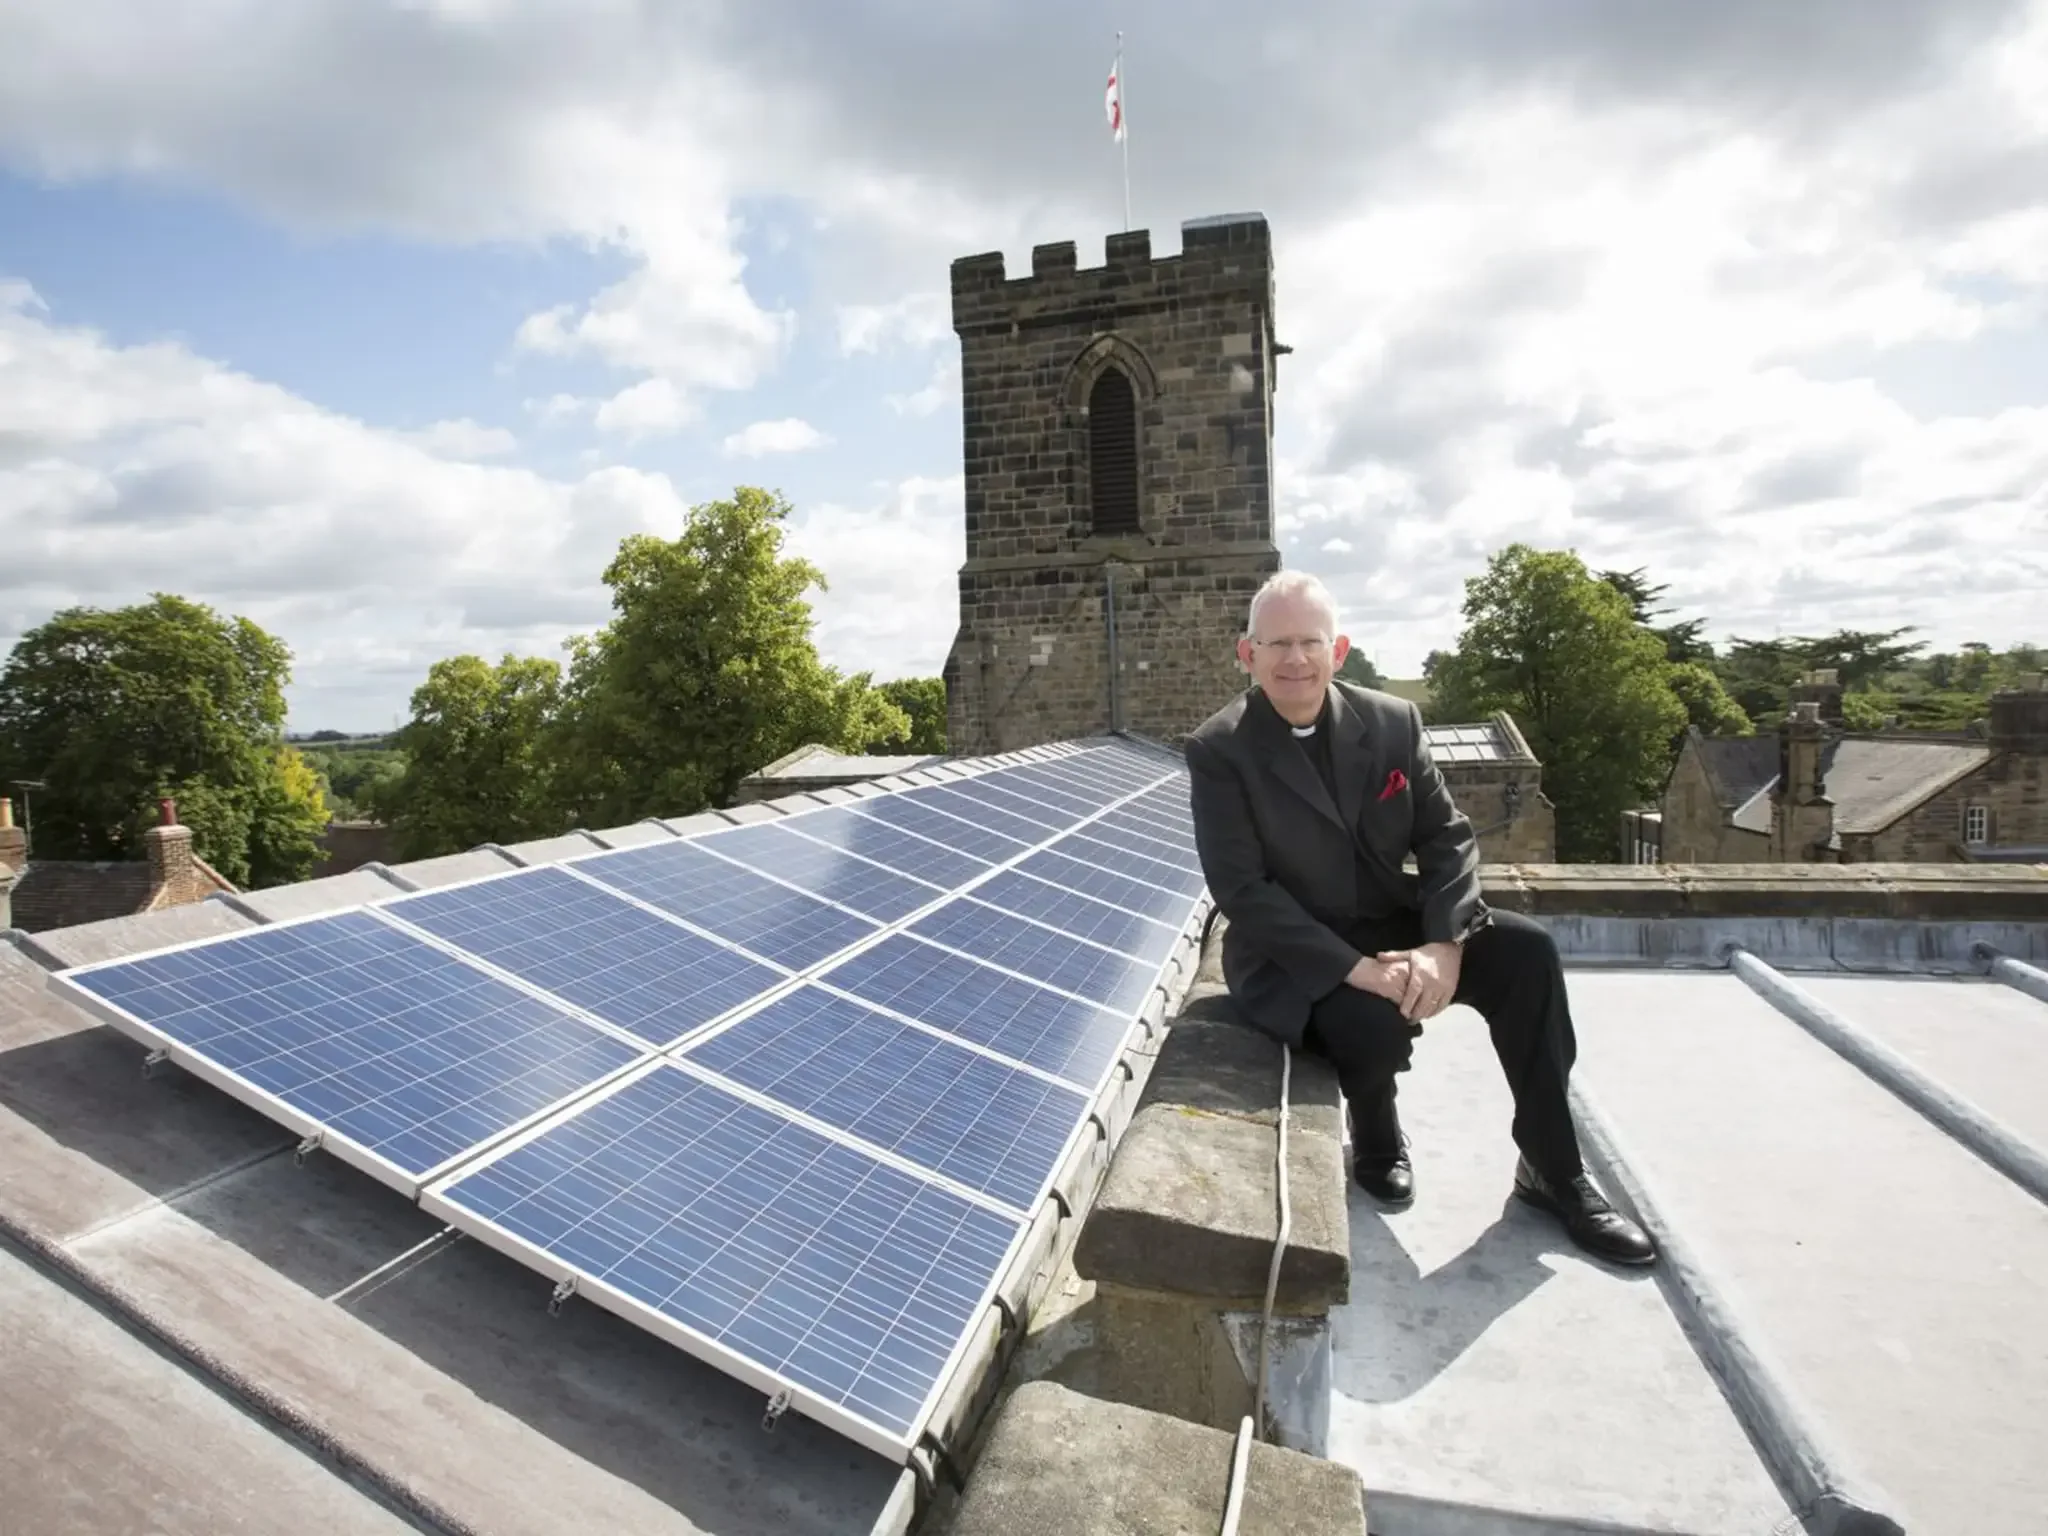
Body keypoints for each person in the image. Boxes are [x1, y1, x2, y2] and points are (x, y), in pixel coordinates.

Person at [1183, 570, 1657, 1266]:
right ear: (1244, 653)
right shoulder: (1218, 749)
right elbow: (1244, 891)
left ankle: (1553, 1169)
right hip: (1294, 954)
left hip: (1390, 919)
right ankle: (1376, 1134)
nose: (1294, 659)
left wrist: (1444, 943)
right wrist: (1360, 973)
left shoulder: (1392, 722)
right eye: (1275, 643)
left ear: (1338, 651)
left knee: (1528, 957)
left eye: (1309, 642)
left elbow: (1446, 836)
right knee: (1365, 1024)